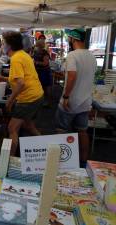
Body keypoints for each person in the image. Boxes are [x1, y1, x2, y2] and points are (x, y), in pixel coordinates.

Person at [0, 31, 44, 155]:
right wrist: (4, 78)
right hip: (36, 95)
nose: (2, 45)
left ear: (9, 45)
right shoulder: (22, 54)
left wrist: (10, 101)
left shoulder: (16, 59)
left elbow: (21, 83)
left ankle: (9, 160)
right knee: (28, 126)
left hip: (28, 98)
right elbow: (22, 77)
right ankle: (45, 147)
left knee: (12, 128)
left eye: (4, 43)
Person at [55, 28, 96, 166]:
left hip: (70, 102)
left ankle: (61, 162)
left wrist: (66, 96)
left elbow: (72, 76)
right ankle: (83, 163)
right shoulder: (92, 56)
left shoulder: (73, 55)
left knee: (62, 131)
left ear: (73, 39)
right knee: (82, 132)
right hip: (85, 103)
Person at [33, 39, 52, 107]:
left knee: (46, 87)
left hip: (45, 72)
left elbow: (45, 63)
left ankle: (48, 102)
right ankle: (43, 100)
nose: (36, 46)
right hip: (39, 72)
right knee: (41, 87)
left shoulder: (45, 53)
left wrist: (36, 62)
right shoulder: (36, 52)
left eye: (37, 44)